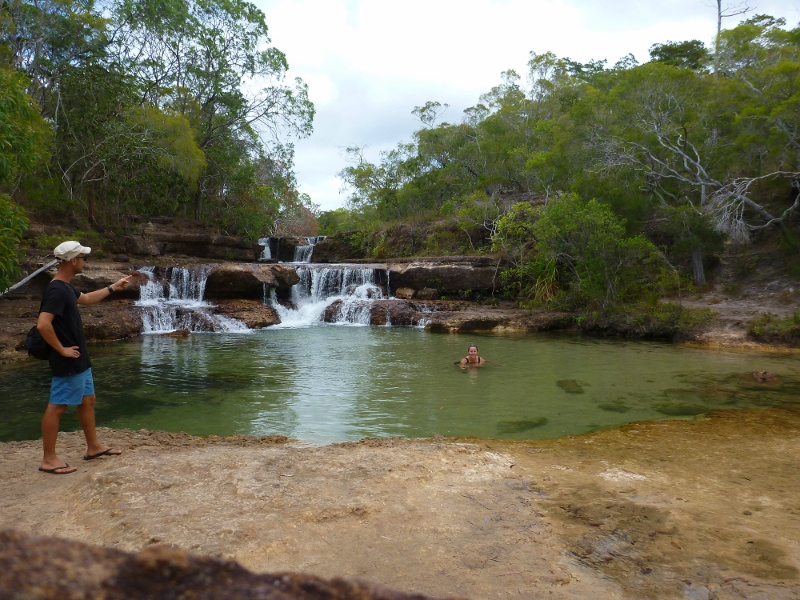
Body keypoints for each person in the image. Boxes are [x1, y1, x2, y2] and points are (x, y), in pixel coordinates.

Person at [36, 241, 132, 474]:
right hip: (68, 358)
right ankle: (48, 459)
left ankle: (94, 446)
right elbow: (43, 324)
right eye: (83, 257)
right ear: (73, 261)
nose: (85, 261)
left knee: (88, 400)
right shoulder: (57, 290)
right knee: (57, 407)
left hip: (79, 358)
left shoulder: (66, 287)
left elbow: (87, 299)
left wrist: (113, 287)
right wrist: (61, 349)